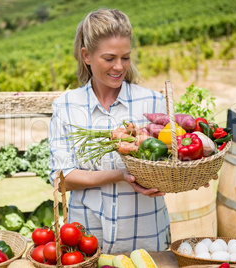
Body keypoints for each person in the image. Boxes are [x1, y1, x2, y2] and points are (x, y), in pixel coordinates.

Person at [48, 8, 171, 254]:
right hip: (87, 238)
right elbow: (61, 180)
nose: (119, 66)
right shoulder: (66, 106)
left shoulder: (151, 103)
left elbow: (168, 164)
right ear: (86, 56)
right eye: (109, 58)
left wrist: (175, 178)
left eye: (125, 57)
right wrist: (120, 174)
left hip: (146, 234)